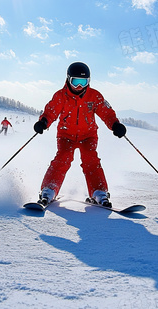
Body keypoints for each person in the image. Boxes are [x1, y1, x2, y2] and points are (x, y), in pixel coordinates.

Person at [33, 62, 126, 207]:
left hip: (88, 135)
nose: (79, 87)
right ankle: (48, 190)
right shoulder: (61, 96)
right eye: (75, 82)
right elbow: (51, 111)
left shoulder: (94, 96)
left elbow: (106, 112)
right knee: (63, 157)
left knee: (91, 159)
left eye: (83, 82)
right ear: (68, 79)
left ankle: (99, 192)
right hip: (66, 135)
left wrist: (115, 124)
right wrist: (44, 122)